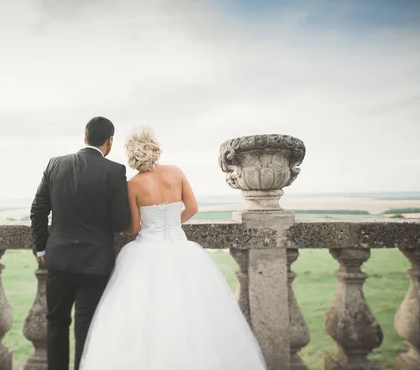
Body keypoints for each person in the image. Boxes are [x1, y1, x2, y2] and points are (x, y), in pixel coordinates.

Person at [79, 126, 266, 370]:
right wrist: (171, 226)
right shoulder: (176, 173)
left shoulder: (133, 185)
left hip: (145, 251)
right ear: (154, 146)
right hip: (181, 248)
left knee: (146, 320)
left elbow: (135, 227)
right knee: (194, 318)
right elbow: (192, 208)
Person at [30, 116, 131, 370]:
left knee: (56, 323)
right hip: (95, 263)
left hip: (58, 259)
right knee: (87, 327)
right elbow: (121, 222)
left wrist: (41, 248)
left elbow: (38, 210)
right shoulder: (115, 171)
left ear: (84, 138)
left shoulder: (55, 165)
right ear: (109, 142)